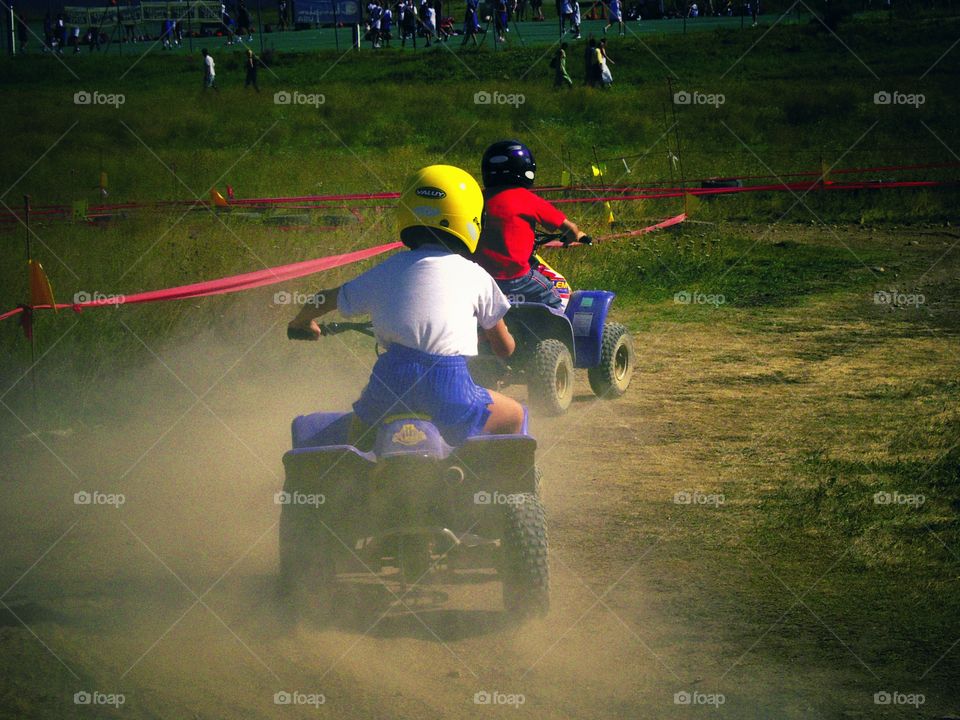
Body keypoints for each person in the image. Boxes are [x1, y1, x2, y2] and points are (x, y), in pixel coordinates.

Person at [287, 164, 524, 444]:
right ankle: (494, 482)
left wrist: (301, 322)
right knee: (515, 414)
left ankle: (354, 472)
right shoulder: (475, 275)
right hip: (449, 385)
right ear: (472, 218)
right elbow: (504, 348)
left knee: (359, 441)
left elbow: (326, 297)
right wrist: (495, 343)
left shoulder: (387, 269)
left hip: (390, 379)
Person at [474, 141, 590, 310]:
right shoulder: (528, 199)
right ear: (525, 169)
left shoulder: (478, 198)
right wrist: (578, 235)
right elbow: (568, 228)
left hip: (479, 275)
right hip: (516, 277)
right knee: (552, 296)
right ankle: (555, 333)